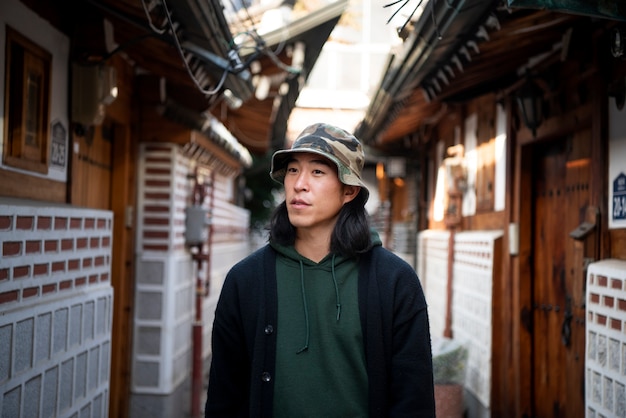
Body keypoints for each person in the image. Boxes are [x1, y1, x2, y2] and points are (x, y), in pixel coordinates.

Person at [204, 123, 435, 417]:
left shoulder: (393, 281)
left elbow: (414, 401)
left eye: (317, 172)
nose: (299, 184)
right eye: (292, 170)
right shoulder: (246, 280)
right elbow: (224, 396)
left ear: (349, 190)